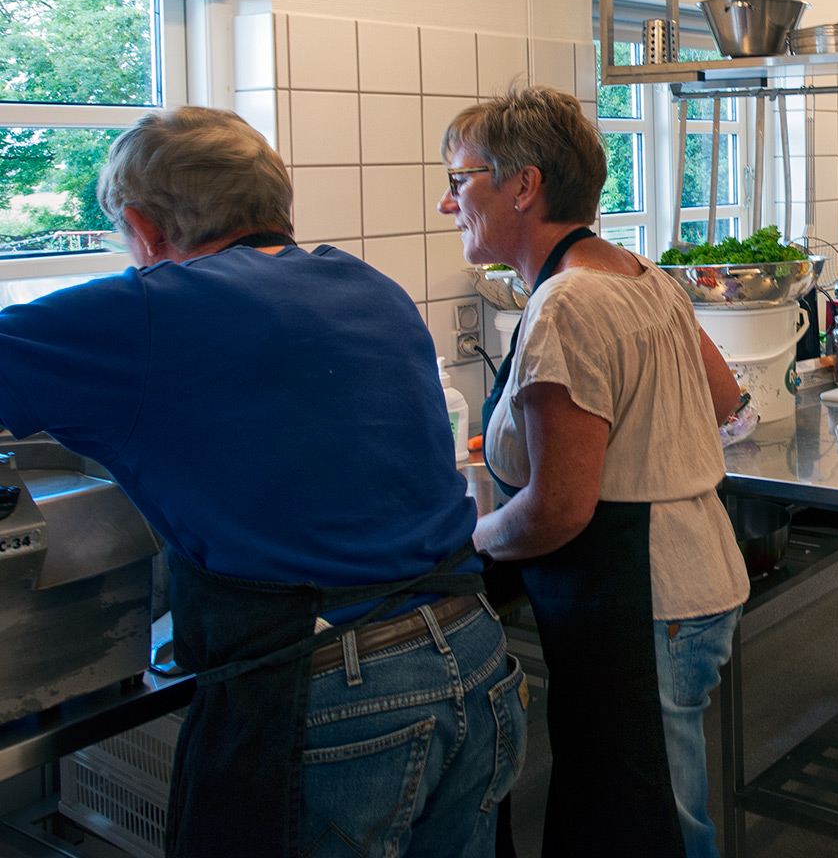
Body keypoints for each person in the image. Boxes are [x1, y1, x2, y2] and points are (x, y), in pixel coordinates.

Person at [0, 107, 522, 858]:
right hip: (471, 657)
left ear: (145, 229)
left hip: (333, 686)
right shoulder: (367, 285)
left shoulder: (149, 310)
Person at [438, 86, 749, 858]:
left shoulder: (567, 304)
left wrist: (469, 541)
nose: (448, 204)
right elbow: (722, 396)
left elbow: (560, 509)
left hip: (641, 598)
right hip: (686, 581)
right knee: (648, 813)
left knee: (651, 832)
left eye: (458, 179)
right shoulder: (635, 271)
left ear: (523, 184)